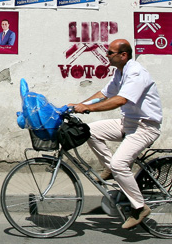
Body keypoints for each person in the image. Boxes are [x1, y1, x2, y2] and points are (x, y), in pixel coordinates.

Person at [69, 39, 162, 230]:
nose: (107, 55)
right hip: (128, 123)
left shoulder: (136, 73)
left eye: (110, 53)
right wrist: (78, 106)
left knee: (120, 163)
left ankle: (139, 207)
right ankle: (111, 168)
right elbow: (104, 94)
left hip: (145, 127)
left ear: (123, 55)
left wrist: (89, 108)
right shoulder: (120, 72)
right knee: (90, 131)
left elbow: (120, 100)